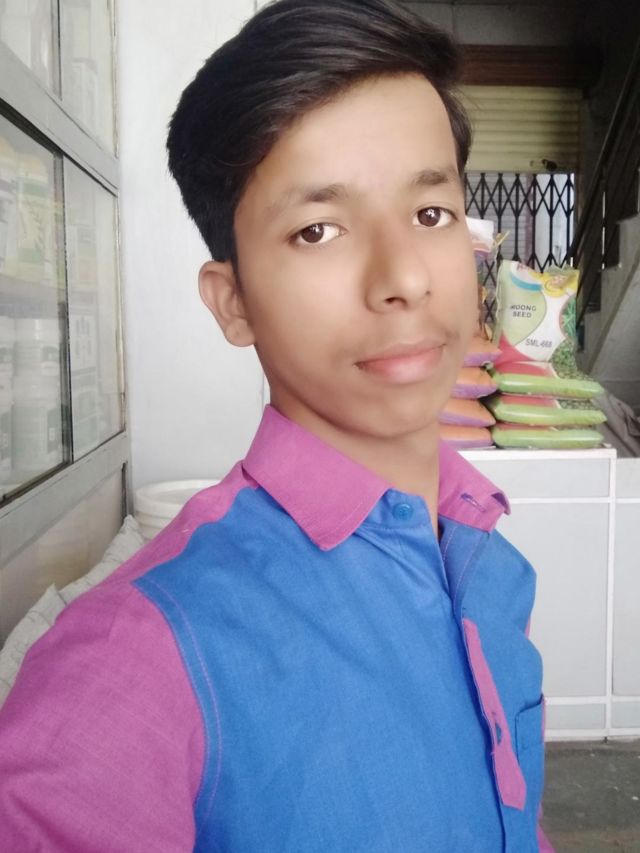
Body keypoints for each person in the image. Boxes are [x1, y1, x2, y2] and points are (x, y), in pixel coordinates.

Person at [0, 0, 553, 850]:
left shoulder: (488, 561)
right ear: (233, 302)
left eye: (430, 213)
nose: (404, 277)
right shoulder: (129, 662)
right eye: (318, 229)